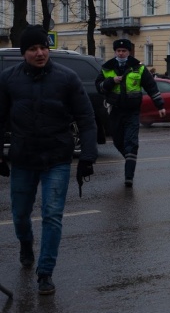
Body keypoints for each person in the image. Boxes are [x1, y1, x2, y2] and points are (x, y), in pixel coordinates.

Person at [0, 25, 98, 295]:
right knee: (20, 215)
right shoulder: (9, 79)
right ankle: (25, 243)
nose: (40, 53)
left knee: (52, 215)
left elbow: (86, 119)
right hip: (22, 158)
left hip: (56, 157)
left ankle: (45, 272)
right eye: (33, 49)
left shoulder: (67, 78)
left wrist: (88, 156)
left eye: (44, 47)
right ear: (24, 53)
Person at [95, 38, 165, 187]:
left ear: (129, 52)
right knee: (117, 141)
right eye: (118, 51)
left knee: (131, 143)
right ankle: (129, 158)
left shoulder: (138, 67)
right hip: (114, 111)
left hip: (132, 111)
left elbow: (151, 87)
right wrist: (111, 81)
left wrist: (160, 106)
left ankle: (129, 177)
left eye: (124, 51)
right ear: (115, 52)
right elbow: (99, 87)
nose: (121, 54)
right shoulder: (107, 68)